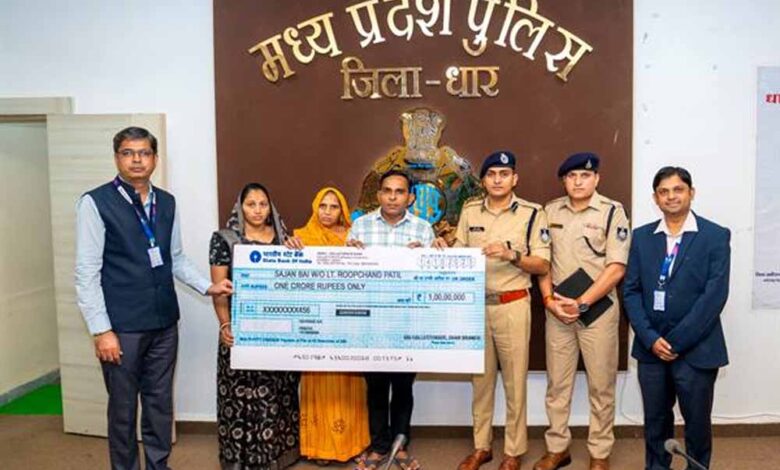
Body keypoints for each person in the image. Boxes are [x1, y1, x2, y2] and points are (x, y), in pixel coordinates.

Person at [75, 126, 233, 470]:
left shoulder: (167, 202)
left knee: (160, 403)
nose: (137, 160)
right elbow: (86, 273)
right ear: (117, 158)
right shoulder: (95, 202)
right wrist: (101, 330)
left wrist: (208, 287)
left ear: (155, 159)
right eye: (128, 153)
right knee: (123, 408)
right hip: (122, 328)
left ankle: (159, 465)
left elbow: (174, 257)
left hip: (164, 323)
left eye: (144, 153)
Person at [443, 151, 551, 470]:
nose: (498, 179)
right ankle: (482, 447)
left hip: (513, 303)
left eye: (504, 174)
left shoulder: (532, 213)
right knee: (480, 382)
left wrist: (511, 255)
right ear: (483, 180)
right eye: (491, 174)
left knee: (515, 382)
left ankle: (513, 451)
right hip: (475, 305)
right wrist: (443, 249)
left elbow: (543, 264)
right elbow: (459, 254)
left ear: (514, 179)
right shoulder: (470, 210)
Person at [623, 166, 730, 470]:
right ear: (655, 198)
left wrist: (676, 342)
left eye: (678, 189)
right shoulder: (642, 237)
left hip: (697, 349)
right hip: (651, 349)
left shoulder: (715, 236)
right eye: (664, 191)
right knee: (655, 421)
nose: (671, 196)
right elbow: (631, 291)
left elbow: (714, 296)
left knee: (697, 423)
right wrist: (650, 338)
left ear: (691, 193)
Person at [533, 153, 631, 470]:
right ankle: (557, 448)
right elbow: (543, 262)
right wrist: (549, 301)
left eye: (585, 176)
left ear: (596, 179)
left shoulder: (612, 211)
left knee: (601, 387)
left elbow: (616, 268)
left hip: (597, 312)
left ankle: (599, 453)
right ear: (564, 180)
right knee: (557, 386)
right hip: (558, 312)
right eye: (572, 176)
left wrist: (583, 302)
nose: (578, 182)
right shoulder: (549, 211)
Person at [347, 169, 436, 470]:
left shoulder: (423, 230)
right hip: (370, 321)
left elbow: (434, 278)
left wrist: (425, 257)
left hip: (408, 321)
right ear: (379, 195)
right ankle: (379, 446)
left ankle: (400, 444)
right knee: (375, 387)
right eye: (387, 191)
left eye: (400, 192)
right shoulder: (360, 226)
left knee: (402, 387)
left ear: (410, 197)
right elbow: (347, 277)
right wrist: (350, 255)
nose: (393, 197)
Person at [209, 182, 301, 470]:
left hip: (278, 333)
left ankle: (274, 457)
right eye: (251, 204)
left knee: (276, 395)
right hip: (240, 332)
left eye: (263, 204)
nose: (258, 210)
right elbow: (219, 290)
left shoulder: (284, 238)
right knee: (240, 396)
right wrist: (225, 325)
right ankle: (239, 459)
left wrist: (297, 253)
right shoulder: (224, 239)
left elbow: (296, 282)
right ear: (241, 208)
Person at [286, 187, 370, 464]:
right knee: (319, 383)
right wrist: (289, 250)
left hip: (347, 323)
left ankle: (352, 445)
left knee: (349, 384)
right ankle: (319, 447)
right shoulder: (300, 237)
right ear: (315, 207)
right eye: (322, 206)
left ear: (342, 210)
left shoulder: (353, 238)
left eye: (334, 207)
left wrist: (359, 254)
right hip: (316, 324)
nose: (327, 212)